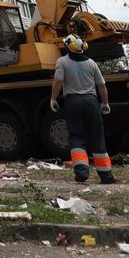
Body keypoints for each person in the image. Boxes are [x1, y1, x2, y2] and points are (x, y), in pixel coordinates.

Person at [50, 34, 117, 184]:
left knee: (77, 136)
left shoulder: (62, 62)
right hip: (91, 102)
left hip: (73, 102)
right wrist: (105, 103)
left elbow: (57, 82)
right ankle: (106, 176)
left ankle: (81, 171)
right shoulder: (91, 63)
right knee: (97, 137)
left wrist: (53, 99)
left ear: (68, 46)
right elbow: (101, 85)